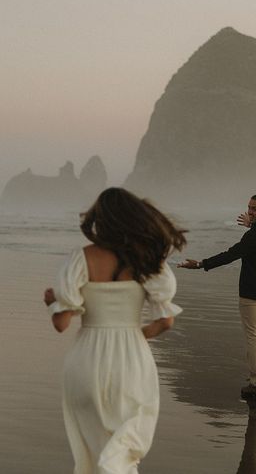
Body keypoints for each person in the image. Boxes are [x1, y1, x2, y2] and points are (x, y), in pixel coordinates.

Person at [43, 187, 186, 474]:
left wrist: (51, 303)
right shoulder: (148, 261)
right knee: (122, 449)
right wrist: (134, 336)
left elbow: (61, 324)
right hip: (131, 360)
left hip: (86, 359)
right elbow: (166, 321)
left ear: (100, 220)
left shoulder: (81, 259)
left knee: (91, 448)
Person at [178, 194, 256, 398]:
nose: (249, 212)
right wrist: (252, 226)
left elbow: (231, 254)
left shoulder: (253, 235)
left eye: (254, 209)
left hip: (252, 292)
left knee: (253, 336)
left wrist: (200, 264)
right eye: (249, 207)